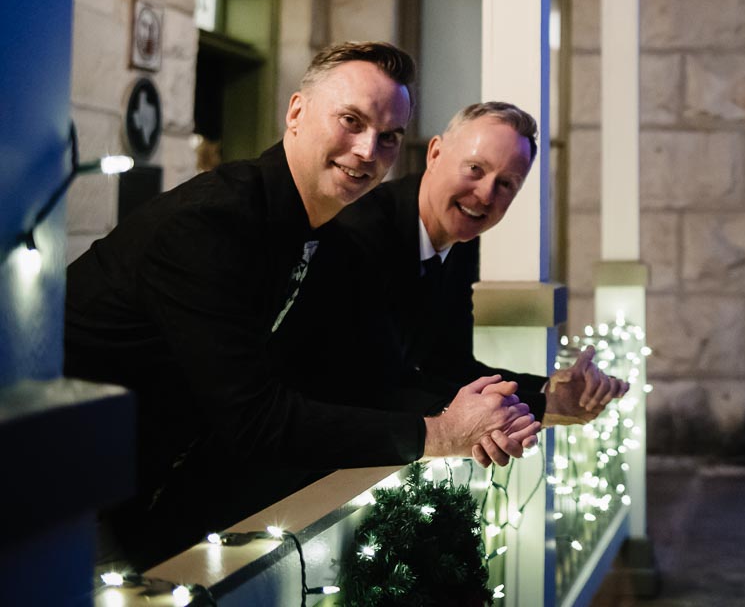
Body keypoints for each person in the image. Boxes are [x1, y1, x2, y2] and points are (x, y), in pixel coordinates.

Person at [65, 43, 540, 565]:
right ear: (296, 112)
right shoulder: (213, 220)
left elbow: (364, 376)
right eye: (351, 121)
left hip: (137, 482)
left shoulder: (321, 232)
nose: (366, 151)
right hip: (59, 478)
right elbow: (254, 416)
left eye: (387, 137)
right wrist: (441, 432)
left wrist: (523, 405)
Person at [333, 101, 628, 458]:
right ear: (436, 153)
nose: (486, 194)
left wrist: (554, 392)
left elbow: (451, 363)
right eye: (475, 168)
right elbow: (375, 387)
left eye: (505, 184)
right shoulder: (364, 232)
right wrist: (525, 410)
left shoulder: (460, 241)